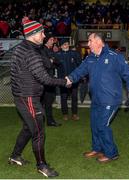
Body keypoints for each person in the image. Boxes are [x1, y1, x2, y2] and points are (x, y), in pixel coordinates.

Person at [9, 18, 68, 177]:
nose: (44, 36)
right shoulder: (31, 52)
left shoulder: (21, 48)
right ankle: (42, 165)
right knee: (39, 132)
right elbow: (45, 79)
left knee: (29, 128)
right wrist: (65, 82)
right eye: (41, 32)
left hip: (21, 95)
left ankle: (15, 156)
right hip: (28, 97)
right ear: (33, 34)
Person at [65, 32, 129, 163]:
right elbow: (80, 70)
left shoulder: (115, 57)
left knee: (102, 125)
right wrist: (70, 78)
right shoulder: (90, 58)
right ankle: (97, 148)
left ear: (99, 41)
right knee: (94, 124)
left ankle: (112, 153)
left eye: (90, 40)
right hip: (96, 99)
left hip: (110, 99)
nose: (88, 43)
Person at [57, 38, 82, 121]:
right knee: (63, 97)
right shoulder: (57, 55)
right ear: (61, 46)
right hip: (62, 80)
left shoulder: (74, 53)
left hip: (74, 80)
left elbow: (80, 65)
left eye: (67, 43)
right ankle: (65, 114)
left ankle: (74, 114)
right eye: (64, 44)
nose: (66, 45)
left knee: (74, 97)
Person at [41, 31, 61, 127]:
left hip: (50, 79)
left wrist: (51, 60)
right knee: (44, 101)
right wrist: (51, 60)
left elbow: (57, 61)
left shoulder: (50, 50)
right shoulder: (42, 49)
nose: (53, 41)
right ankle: (44, 120)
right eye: (51, 39)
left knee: (49, 101)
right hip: (44, 79)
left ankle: (49, 120)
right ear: (47, 40)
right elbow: (47, 64)